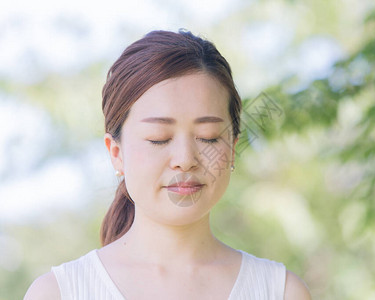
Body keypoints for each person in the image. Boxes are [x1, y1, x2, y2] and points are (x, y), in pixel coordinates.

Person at [24, 29, 311, 300]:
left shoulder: (280, 291)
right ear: (116, 152)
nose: (185, 159)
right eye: (159, 139)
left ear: (233, 149)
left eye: (208, 138)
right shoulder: (59, 293)